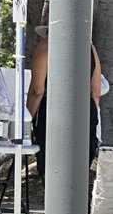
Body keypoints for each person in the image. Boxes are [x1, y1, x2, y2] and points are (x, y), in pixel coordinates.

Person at [27, 25, 101, 181]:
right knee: (80, 167)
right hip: (85, 108)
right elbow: (96, 91)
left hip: (53, 108)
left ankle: (55, 202)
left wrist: (27, 119)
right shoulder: (90, 47)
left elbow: (37, 91)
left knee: (52, 167)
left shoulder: (45, 46)